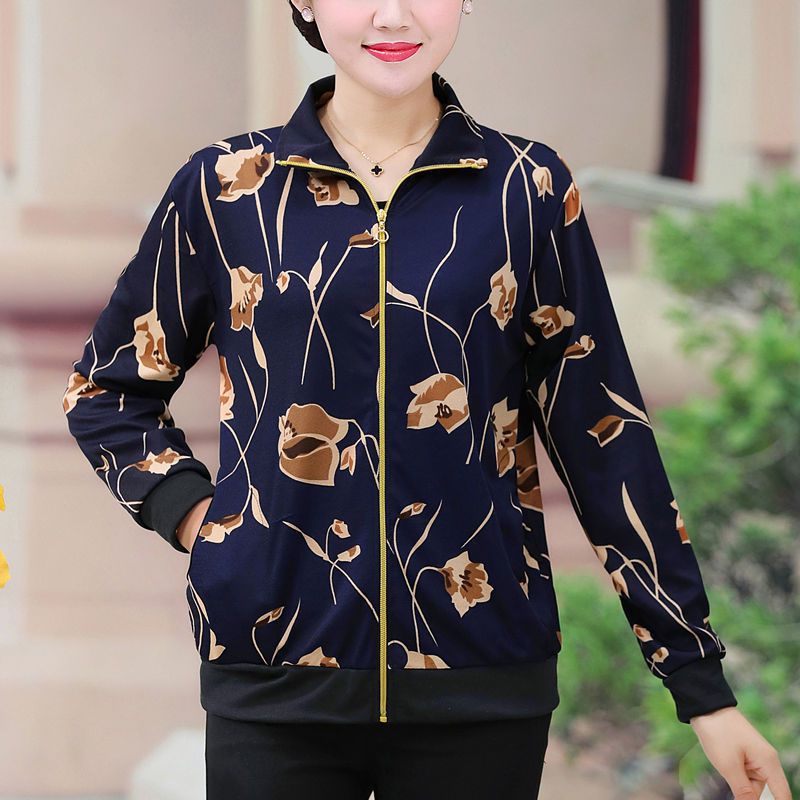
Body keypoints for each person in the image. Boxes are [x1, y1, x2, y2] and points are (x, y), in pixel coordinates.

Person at [62, 1, 792, 798]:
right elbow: (107, 388)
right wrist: (203, 522)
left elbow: (603, 435)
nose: (393, 15)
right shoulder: (228, 187)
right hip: (274, 670)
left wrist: (699, 685)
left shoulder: (525, 187)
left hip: (481, 678)